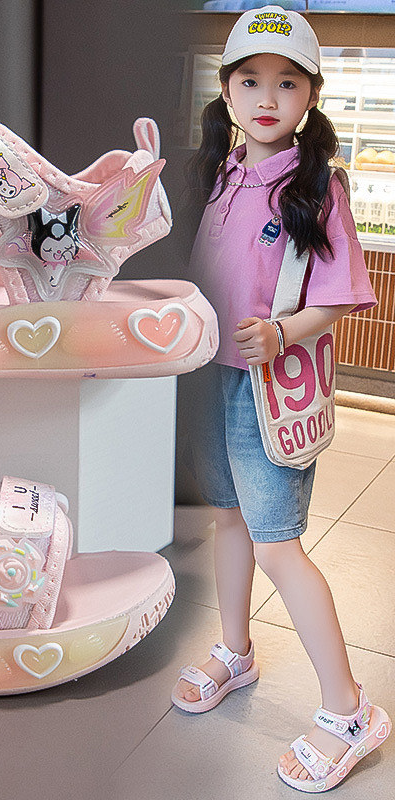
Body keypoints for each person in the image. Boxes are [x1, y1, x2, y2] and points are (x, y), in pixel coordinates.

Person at [175, 6, 390, 792]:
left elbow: (337, 296)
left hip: (268, 392)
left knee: (277, 545)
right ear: (227, 91)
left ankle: (348, 710)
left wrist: (282, 332)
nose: (267, 97)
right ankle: (235, 650)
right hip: (208, 376)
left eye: (287, 82)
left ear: (311, 96)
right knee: (228, 519)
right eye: (250, 80)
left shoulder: (317, 187)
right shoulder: (218, 173)